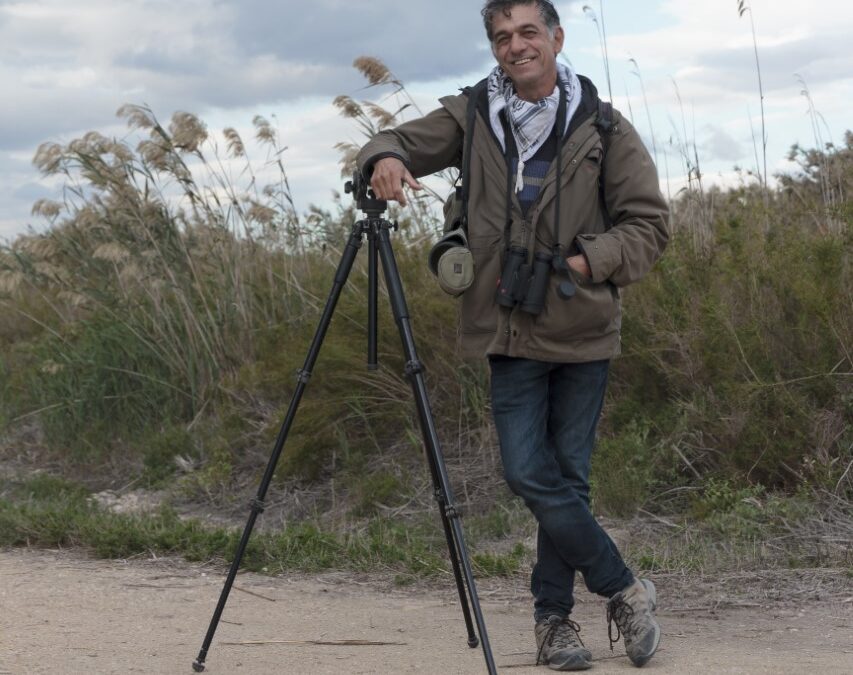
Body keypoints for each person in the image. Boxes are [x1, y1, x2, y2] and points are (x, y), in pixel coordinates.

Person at [356, 0, 668, 670]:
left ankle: (552, 623)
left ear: (555, 38)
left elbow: (648, 224)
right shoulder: (473, 114)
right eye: (501, 37)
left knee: (568, 480)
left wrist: (591, 259)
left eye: (527, 32)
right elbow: (398, 142)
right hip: (508, 325)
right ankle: (622, 588)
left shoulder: (606, 129)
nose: (515, 46)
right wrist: (382, 156)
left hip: (581, 326)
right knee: (529, 471)